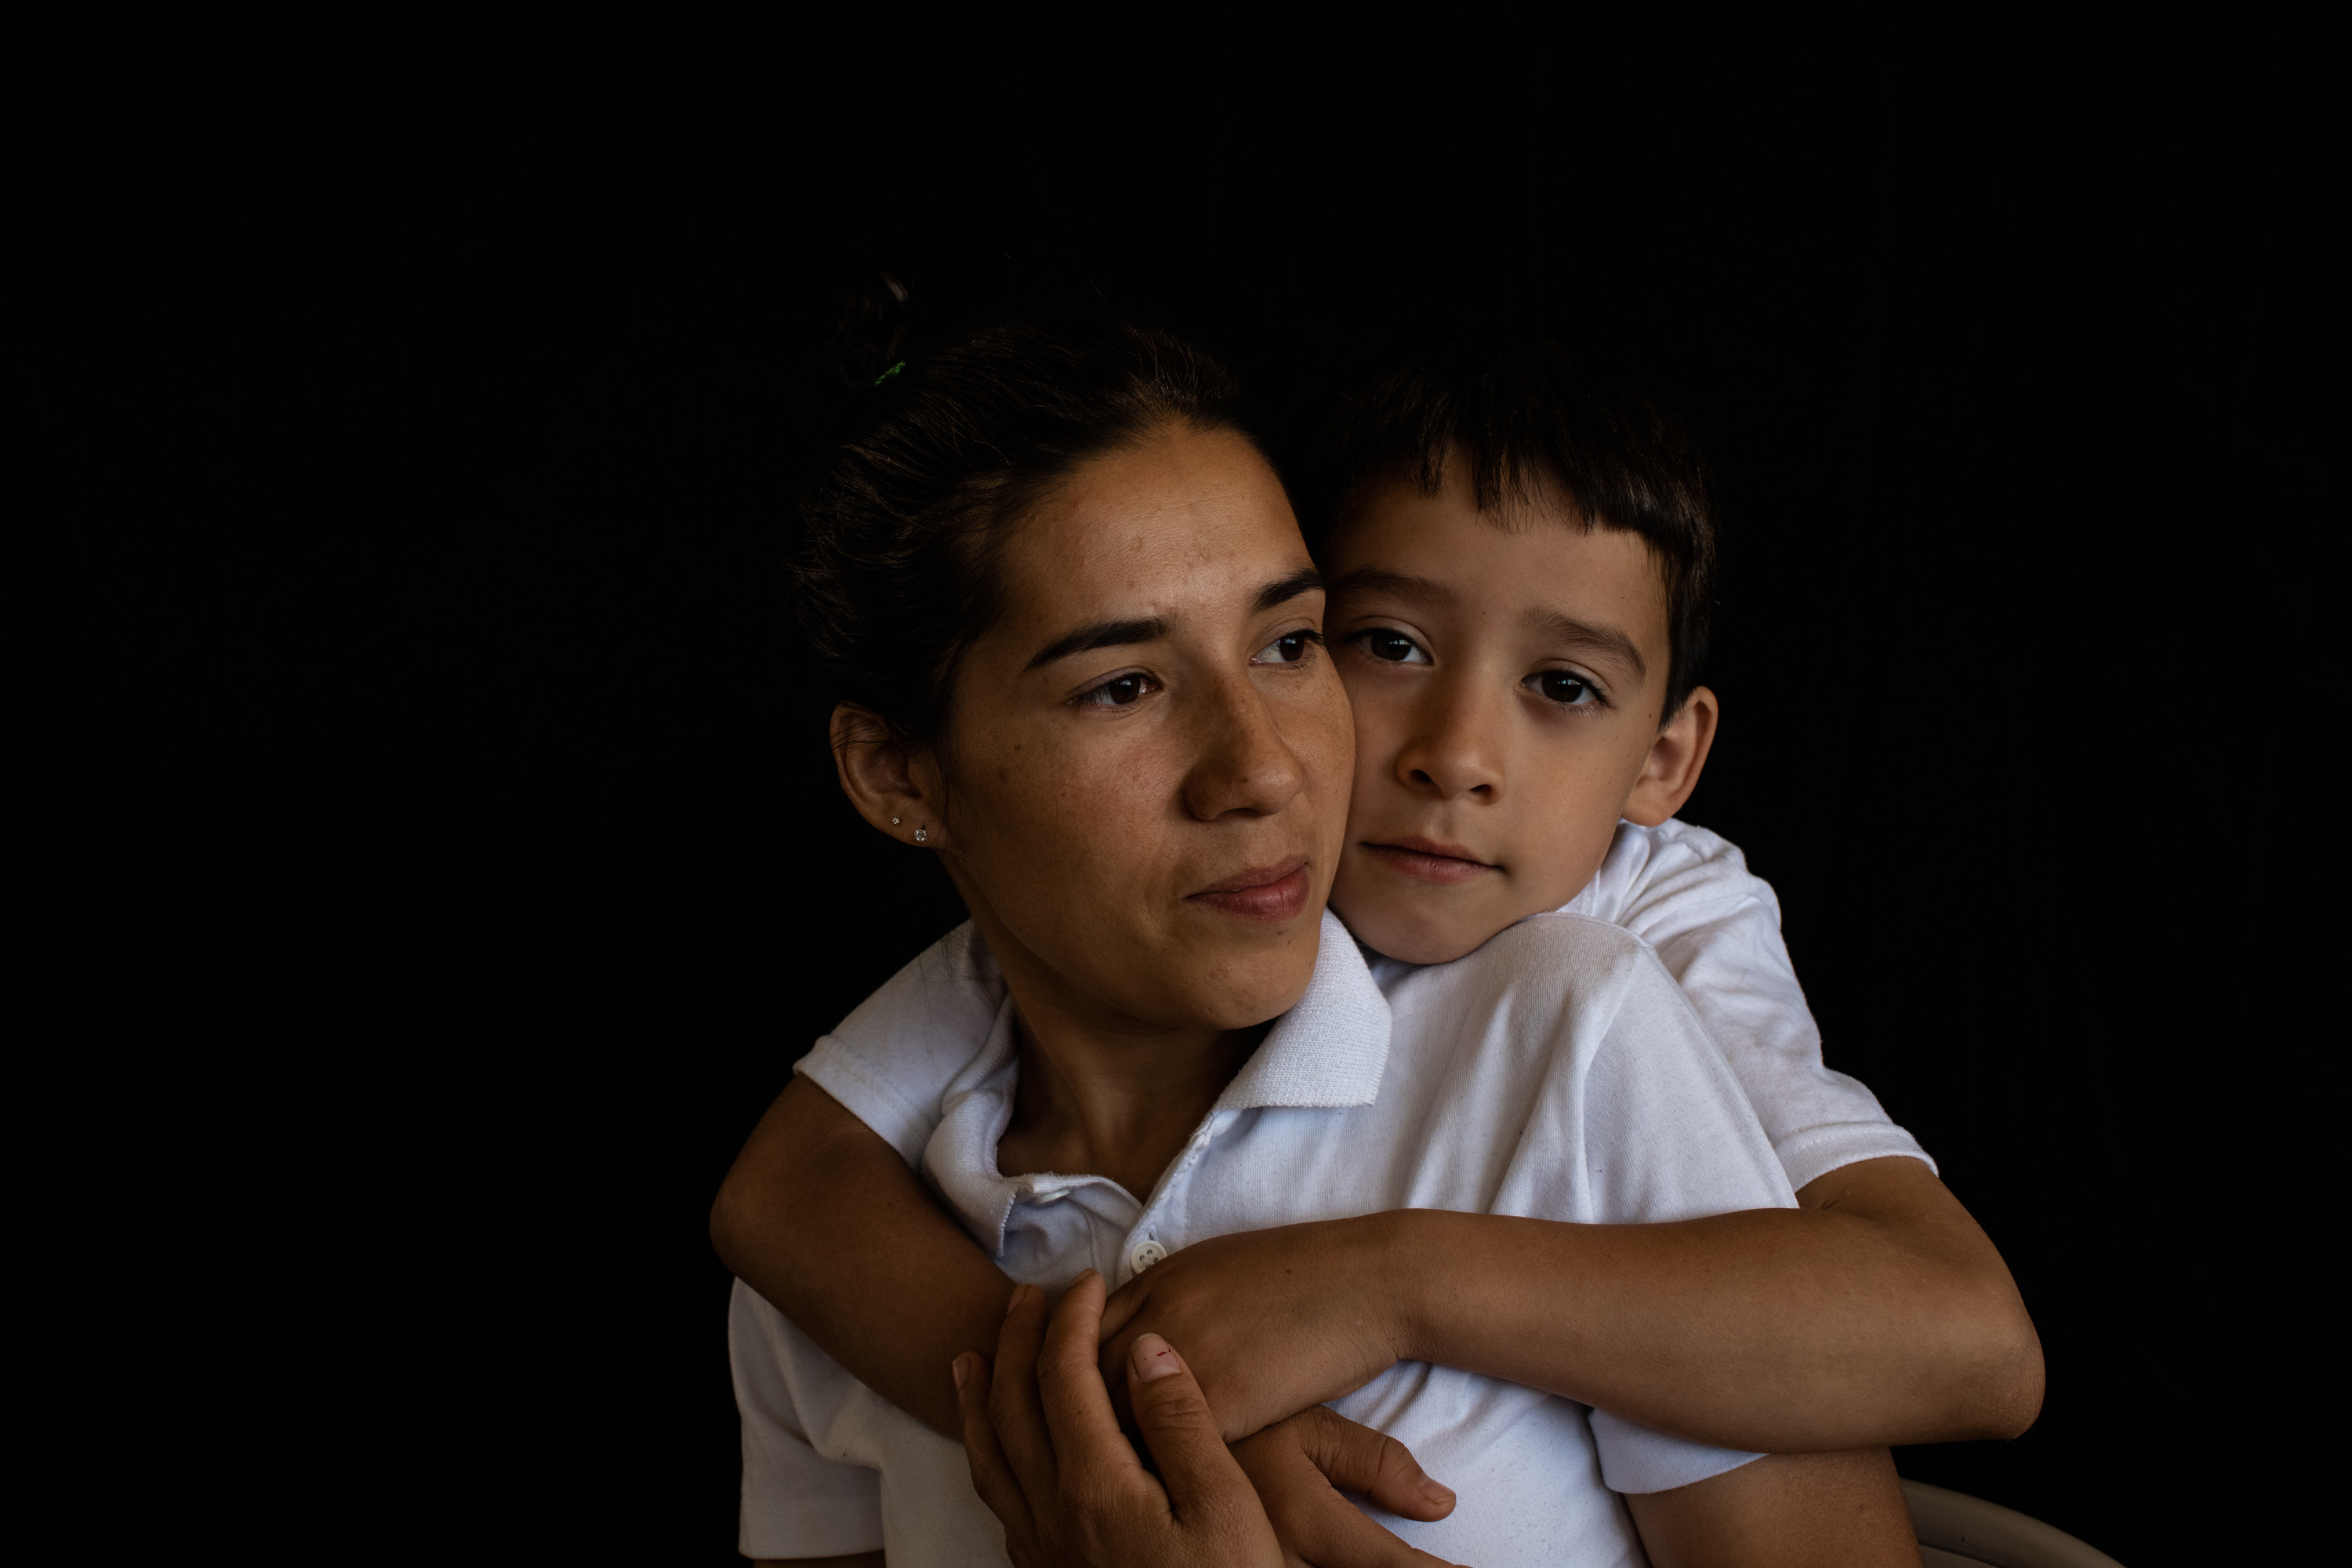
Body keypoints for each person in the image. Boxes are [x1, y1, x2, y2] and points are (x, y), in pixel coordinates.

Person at [722, 311, 1929, 1564]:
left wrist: (1392, 1285)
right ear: (896, 773)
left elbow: (1967, 1340)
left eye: (1287, 644)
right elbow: (781, 1192)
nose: (1261, 770)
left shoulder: (1578, 1026)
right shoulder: (852, 1260)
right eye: (1123, 684)